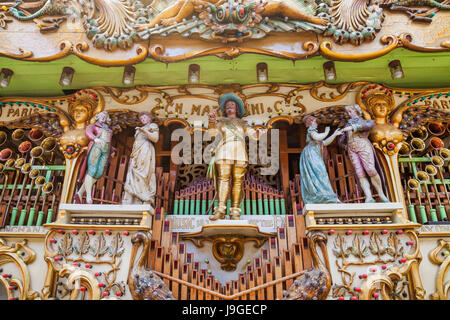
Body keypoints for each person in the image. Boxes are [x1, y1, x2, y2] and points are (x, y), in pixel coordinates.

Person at [208, 92, 262, 221]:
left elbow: (254, 135)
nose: (229, 107)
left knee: (238, 181)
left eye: (232, 104)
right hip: (224, 151)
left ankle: (235, 211)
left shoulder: (243, 123)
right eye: (227, 105)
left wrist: (259, 132)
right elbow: (212, 134)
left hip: (240, 153)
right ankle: (220, 210)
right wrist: (211, 121)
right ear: (224, 109)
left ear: (237, 108)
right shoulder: (220, 122)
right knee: (223, 179)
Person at [339, 104, 390, 203]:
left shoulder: (364, 121)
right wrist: (346, 146)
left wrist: (353, 127)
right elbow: (340, 141)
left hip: (363, 144)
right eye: (348, 112)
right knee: (360, 173)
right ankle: (368, 197)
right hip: (351, 148)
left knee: (370, 169)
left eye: (351, 111)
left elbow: (369, 125)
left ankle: (381, 194)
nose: (349, 114)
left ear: (357, 111)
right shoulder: (347, 125)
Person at [299, 115, 343, 204]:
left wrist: (334, 134)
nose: (316, 124)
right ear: (311, 122)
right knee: (319, 172)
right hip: (311, 154)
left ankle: (327, 195)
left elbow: (325, 142)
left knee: (322, 173)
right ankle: (318, 195)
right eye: (315, 122)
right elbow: (317, 137)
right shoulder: (311, 130)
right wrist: (327, 132)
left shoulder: (315, 136)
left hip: (315, 153)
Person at [74, 111, 114, 204]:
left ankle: (80, 193)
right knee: (92, 170)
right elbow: (88, 133)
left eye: (105, 117)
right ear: (98, 117)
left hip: (105, 150)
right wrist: (95, 139)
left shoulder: (109, 130)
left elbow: (108, 142)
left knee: (99, 173)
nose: (103, 118)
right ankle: (88, 196)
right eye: (102, 116)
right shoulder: (93, 126)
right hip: (96, 147)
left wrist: (112, 151)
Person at [122, 112, 159, 210]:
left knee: (143, 173)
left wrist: (144, 131)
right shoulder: (139, 129)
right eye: (141, 118)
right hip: (136, 152)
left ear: (150, 118)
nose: (143, 119)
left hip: (145, 150)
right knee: (133, 173)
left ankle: (144, 197)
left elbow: (155, 138)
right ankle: (135, 198)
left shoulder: (152, 125)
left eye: (145, 117)